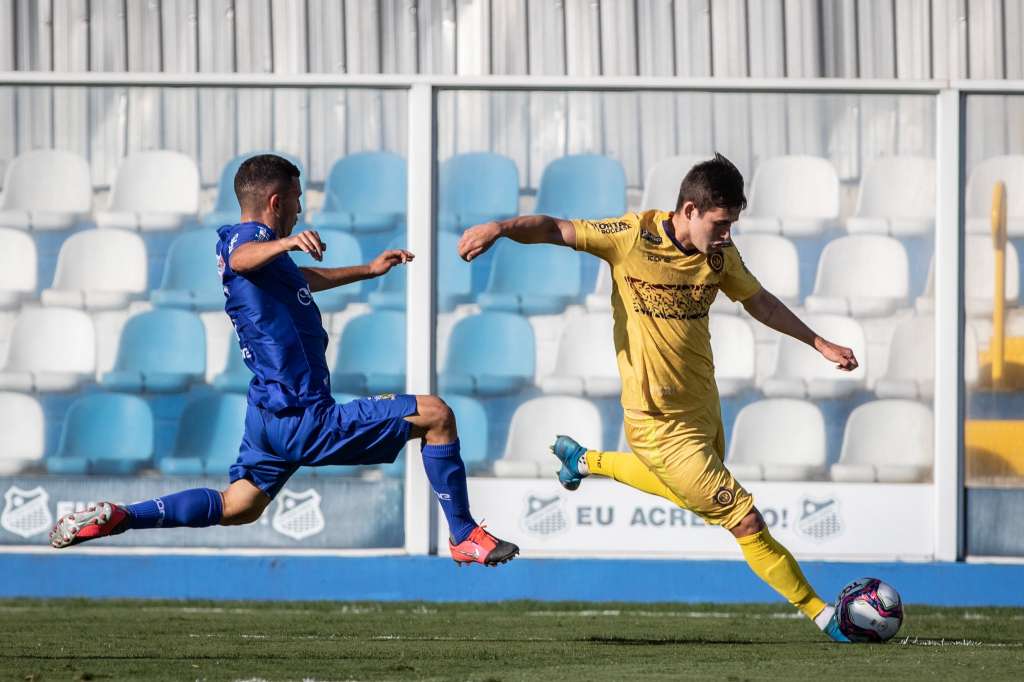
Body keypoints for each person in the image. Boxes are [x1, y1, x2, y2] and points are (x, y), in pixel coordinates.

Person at [457, 153, 857, 638]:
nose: (728, 233)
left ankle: (586, 462)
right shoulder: (629, 237)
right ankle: (822, 614)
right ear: (690, 209)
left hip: (703, 407)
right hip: (655, 420)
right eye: (722, 222)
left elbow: (761, 303)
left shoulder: (720, 257)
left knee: (692, 498)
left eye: (732, 223)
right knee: (743, 519)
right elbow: (552, 228)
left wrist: (819, 342)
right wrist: (499, 227)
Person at [50, 153, 518, 567]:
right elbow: (243, 258)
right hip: (302, 412)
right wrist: (287, 242)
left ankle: (123, 517)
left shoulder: (264, 257)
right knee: (436, 414)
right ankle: (463, 535)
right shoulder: (247, 240)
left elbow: (296, 277)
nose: (299, 209)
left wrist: (367, 270)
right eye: (296, 199)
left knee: (239, 506)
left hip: (268, 412)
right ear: (276, 202)